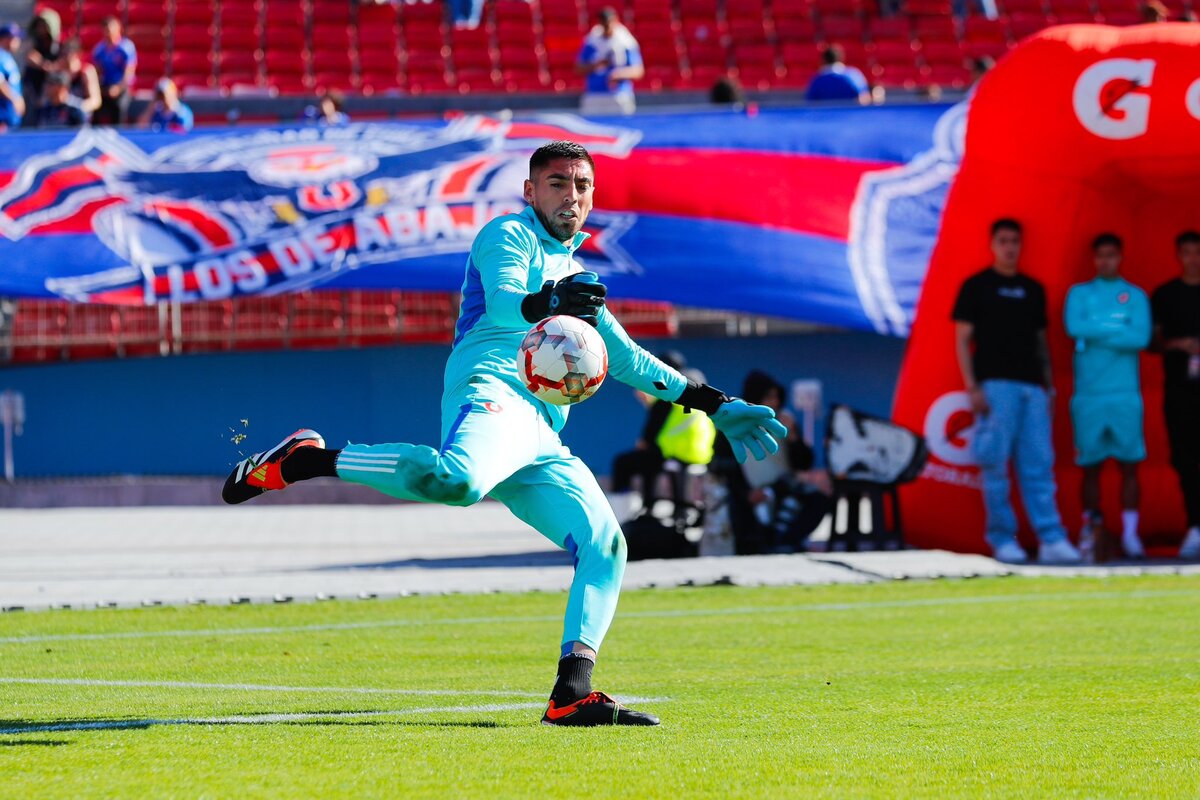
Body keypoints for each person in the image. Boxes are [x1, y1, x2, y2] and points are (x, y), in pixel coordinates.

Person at [220, 140, 787, 726]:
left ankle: (572, 692)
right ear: (530, 191)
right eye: (558, 182)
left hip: (540, 428)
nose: (572, 194)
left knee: (606, 544)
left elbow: (628, 360)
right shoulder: (507, 235)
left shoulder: (576, 276)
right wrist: (551, 301)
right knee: (458, 480)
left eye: (582, 185)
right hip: (492, 390)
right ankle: (307, 460)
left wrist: (716, 405)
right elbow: (503, 306)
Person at [952, 218, 1082, 564]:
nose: (1010, 247)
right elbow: (962, 339)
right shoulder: (977, 286)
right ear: (993, 244)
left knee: (1039, 465)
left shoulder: (1033, 289)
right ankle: (1003, 540)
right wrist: (972, 387)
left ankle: (1051, 538)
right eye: (1004, 241)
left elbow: (1041, 344)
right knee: (995, 465)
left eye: (1015, 241)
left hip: (1032, 389)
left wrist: (1050, 388)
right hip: (995, 387)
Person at [1064, 234, 1151, 560]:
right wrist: (1117, 328)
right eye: (1100, 256)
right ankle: (1091, 530)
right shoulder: (1079, 294)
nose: (1105, 261)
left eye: (1111, 255)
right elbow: (1074, 327)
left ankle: (1130, 534)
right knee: (1090, 467)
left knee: (1130, 465)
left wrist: (1097, 328)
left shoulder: (1136, 296)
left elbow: (1139, 337)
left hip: (1125, 394)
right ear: (1093, 259)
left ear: (1121, 257)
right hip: (1089, 395)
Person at [714, 370, 832, 554]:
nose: (773, 403)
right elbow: (722, 465)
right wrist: (747, 493)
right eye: (768, 397)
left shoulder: (783, 422)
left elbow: (803, 463)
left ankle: (785, 543)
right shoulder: (733, 422)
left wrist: (793, 438)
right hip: (747, 494)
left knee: (817, 500)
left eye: (776, 397)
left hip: (784, 488)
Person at [1150, 230, 1200, 558]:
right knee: (1185, 458)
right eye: (1186, 252)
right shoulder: (1165, 295)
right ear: (1178, 255)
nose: (1193, 258)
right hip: (1181, 390)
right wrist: (1179, 345)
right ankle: (1195, 526)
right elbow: (1152, 343)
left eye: (1197, 252)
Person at [609, 350, 687, 517]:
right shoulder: (689, 394)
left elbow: (648, 439)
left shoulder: (666, 398)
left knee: (623, 462)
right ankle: (647, 505)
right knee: (647, 459)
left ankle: (622, 515)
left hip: (670, 454)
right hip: (695, 455)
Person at [576, 7, 643, 116]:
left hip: (619, 95)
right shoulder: (592, 41)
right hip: (595, 95)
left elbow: (638, 70)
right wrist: (596, 65)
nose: (608, 26)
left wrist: (619, 74)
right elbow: (578, 68)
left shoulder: (625, 41)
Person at [91, 16, 137, 125]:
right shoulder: (99, 50)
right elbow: (97, 73)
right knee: (95, 105)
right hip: (105, 88)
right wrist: (98, 90)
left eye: (110, 30)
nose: (108, 34)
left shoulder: (126, 47)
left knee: (119, 107)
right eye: (105, 30)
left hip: (122, 88)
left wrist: (118, 88)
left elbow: (129, 73)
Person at [22, 8, 61, 112]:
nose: (41, 29)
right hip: (35, 92)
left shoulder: (60, 48)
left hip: (54, 95)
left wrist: (43, 64)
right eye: (39, 26)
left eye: (44, 26)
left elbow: (58, 68)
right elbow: (30, 58)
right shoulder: (35, 45)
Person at [804, 45, 870, 105]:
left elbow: (811, 104)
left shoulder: (817, 81)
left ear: (824, 60)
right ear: (841, 58)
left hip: (826, 117)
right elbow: (864, 98)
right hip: (850, 116)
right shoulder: (853, 75)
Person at [57, 40, 102, 121]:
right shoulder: (58, 72)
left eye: (69, 54)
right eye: (63, 54)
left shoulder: (86, 71)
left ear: (77, 54)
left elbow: (96, 100)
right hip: (62, 115)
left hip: (80, 115)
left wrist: (79, 107)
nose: (66, 57)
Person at [0, 23, 25, 133]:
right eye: (15, 38)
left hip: (9, 118)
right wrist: (15, 98)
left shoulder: (7, 57)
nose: (18, 42)